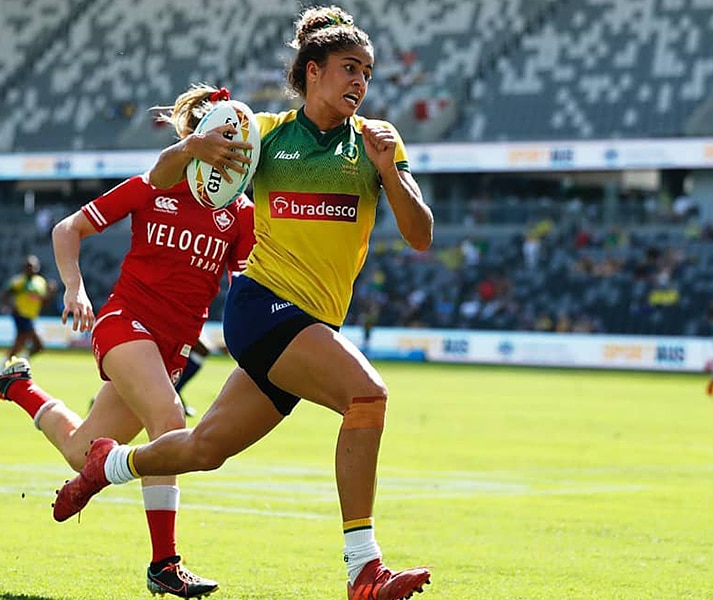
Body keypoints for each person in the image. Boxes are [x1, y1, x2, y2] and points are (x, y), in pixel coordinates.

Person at [52, 7, 434, 599]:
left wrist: (393, 173)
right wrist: (192, 148)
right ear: (313, 72)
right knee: (367, 396)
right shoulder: (263, 135)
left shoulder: (375, 144)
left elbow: (420, 235)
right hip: (265, 306)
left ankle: (106, 466)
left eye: (368, 72)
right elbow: (159, 175)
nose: (360, 81)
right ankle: (364, 568)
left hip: (310, 324)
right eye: (348, 68)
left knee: (203, 450)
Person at [0, 83, 255, 598]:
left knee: (82, 454)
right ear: (198, 138)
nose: (231, 152)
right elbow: (66, 229)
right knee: (170, 421)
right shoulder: (156, 183)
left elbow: (245, 282)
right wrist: (74, 289)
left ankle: (18, 387)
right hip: (124, 324)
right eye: (222, 140)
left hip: (171, 350)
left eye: (240, 145)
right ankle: (165, 564)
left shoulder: (243, 213)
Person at [0, 255, 55, 370]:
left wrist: (50, 293)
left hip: (31, 317)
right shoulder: (19, 281)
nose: (31, 269)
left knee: (20, 345)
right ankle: (15, 365)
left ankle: (6, 367)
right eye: (29, 266)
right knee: (37, 345)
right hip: (21, 315)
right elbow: (5, 293)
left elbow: (43, 302)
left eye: (34, 267)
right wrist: (9, 306)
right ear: (24, 268)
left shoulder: (40, 282)